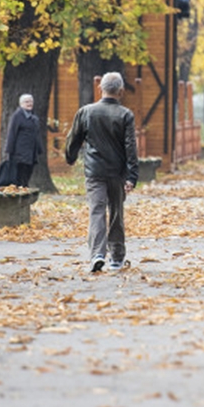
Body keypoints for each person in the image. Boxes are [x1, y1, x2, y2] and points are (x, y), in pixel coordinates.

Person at [65, 72, 138, 272]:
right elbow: (131, 147)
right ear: (121, 91)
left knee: (96, 211)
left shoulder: (86, 112)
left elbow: (74, 138)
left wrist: (70, 157)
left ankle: (97, 253)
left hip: (94, 171)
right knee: (116, 212)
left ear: (100, 89)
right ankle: (116, 256)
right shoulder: (125, 115)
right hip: (118, 172)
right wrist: (132, 176)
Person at [4, 94, 45, 187]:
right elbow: (12, 133)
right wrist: (9, 150)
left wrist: (39, 149)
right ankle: (20, 192)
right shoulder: (17, 116)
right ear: (21, 104)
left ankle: (24, 190)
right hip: (20, 152)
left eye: (31, 102)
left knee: (28, 173)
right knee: (20, 175)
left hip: (31, 152)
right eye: (27, 102)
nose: (29, 104)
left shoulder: (34, 117)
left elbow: (37, 134)